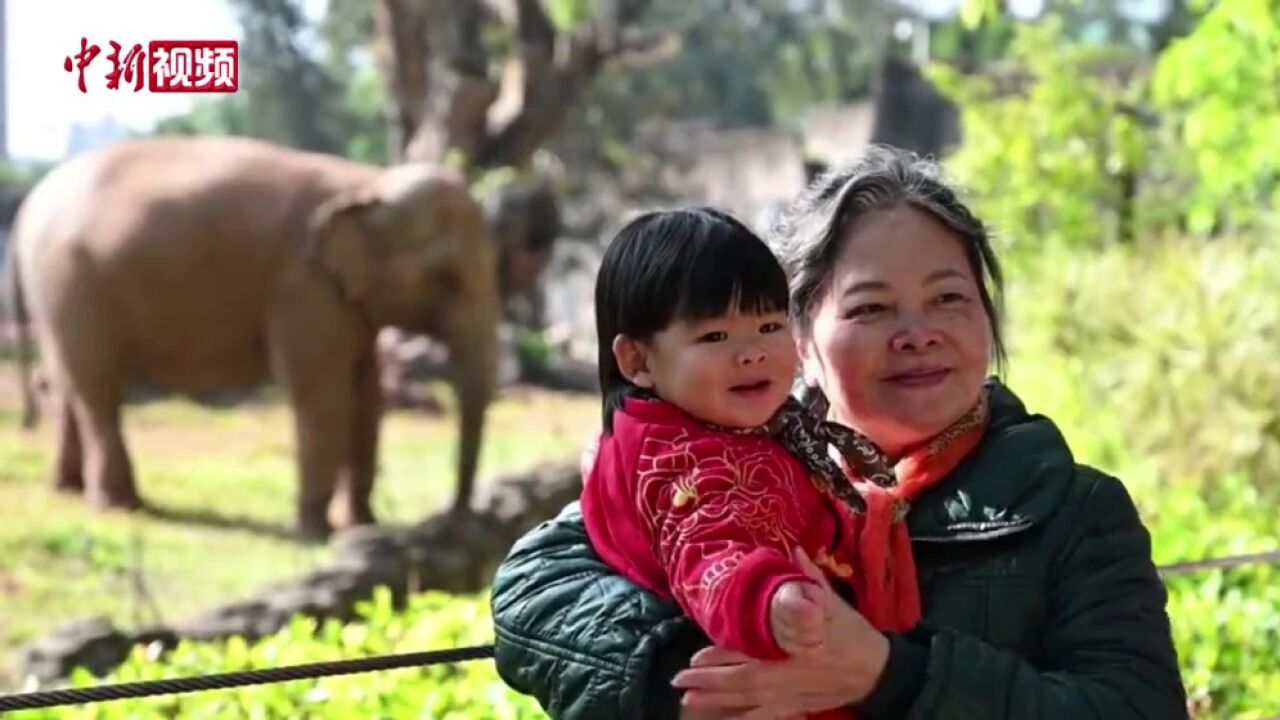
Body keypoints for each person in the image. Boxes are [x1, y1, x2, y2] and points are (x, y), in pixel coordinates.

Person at [490, 145, 1187, 720]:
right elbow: (530, 594)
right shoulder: (722, 468)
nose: (918, 335)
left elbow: (1136, 707)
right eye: (871, 308)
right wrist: (695, 673)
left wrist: (892, 675)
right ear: (799, 335)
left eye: (949, 298)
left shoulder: (1074, 511)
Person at [579, 207, 922, 719]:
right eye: (715, 336)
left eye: (768, 325)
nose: (752, 353)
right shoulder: (682, 460)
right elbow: (709, 548)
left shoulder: (719, 426)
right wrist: (771, 598)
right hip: (777, 681)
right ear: (638, 361)